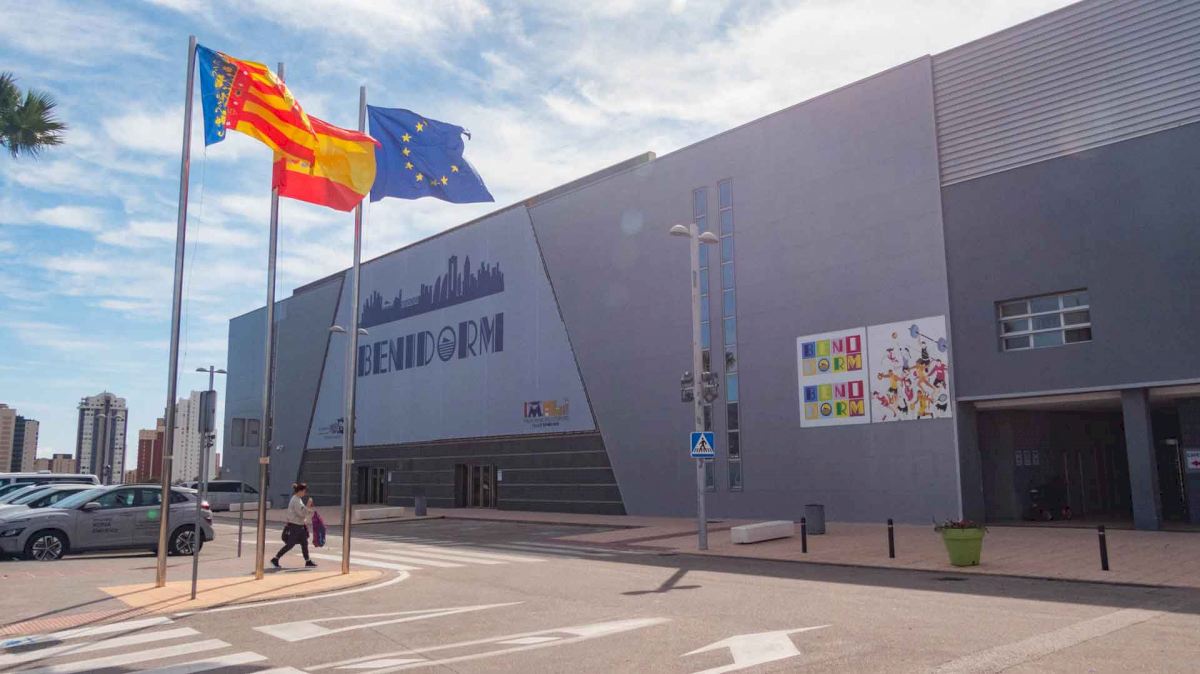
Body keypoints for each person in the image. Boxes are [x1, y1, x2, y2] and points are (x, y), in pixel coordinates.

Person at [271, 482, 316, 569]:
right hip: (295, 526)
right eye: (304, 491)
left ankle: (308, 560)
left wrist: (308, 510)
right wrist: (308, 505)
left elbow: (302, 512)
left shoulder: (298, 499)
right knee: (290, 544)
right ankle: (275, 558)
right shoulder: (296, 500)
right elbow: (301, 513)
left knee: (304, 542)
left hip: (299, 525)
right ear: (300, 491)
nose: (305, 493)